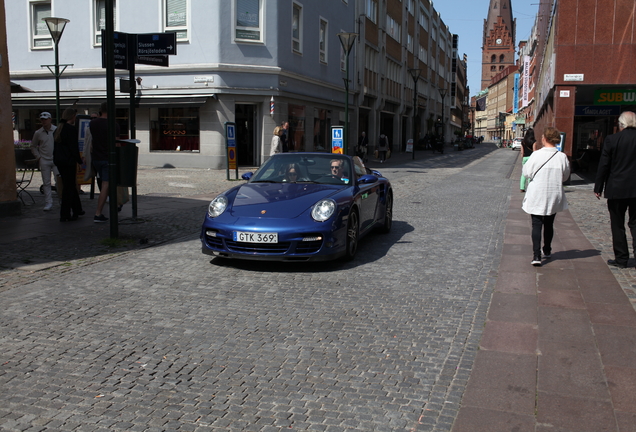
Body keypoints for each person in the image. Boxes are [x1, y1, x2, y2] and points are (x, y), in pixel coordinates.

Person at [522, 127, 571, 266]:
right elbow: (565, 176)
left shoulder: (536, 155)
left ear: (545, 138)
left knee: (536, 224)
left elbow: (526, 173)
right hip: (553, 193)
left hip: (537, 193)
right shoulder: (562, 157)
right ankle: (547, 250)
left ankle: (536, 256)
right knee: (549, 223)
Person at [594, 111, 636, 269]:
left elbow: (604, 164)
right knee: (635, 223)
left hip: (617, 188)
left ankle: (622, 258)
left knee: (617, 224)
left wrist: (598, 187)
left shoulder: (612, 139)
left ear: (621, 124)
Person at [90, 101, 120, 223]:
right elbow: (116, 143)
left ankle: (115, 204)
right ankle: (98, 213)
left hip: (96, 157)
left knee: (104, 183)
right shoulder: (114, 124)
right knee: (106, 185)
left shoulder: (93, 123)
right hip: (108, 158)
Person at [53, 108, 84, 222]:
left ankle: (77, 209)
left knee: (69, 185)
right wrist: (79, 161)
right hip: (68, 161)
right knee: (69, 188)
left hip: (60, 161)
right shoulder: (70, 130)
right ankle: (65, 214)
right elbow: (73, 148)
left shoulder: (57, 130)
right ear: (72, 117)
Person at [30, 112, 59, 211]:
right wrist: (38, 157)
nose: (44, 121)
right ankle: (48, 202)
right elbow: (33, 146)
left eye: (45, 119)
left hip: (55, 159)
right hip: (44, 159)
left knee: (58, 181)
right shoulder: (38, 133)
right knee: (46, 182)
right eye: (42, 119)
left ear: (50, 119)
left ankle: (61, 200)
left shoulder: (56, 130)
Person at [520, 128, 538, 192]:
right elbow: (534, 151)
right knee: (531, 173)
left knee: (523, 173)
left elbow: (522, 152)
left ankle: (522, 187)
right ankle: (529, 187)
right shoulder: (534, 142)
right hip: (531, 158)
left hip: (525, 158)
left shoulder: (523, 142)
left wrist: (522, 158)